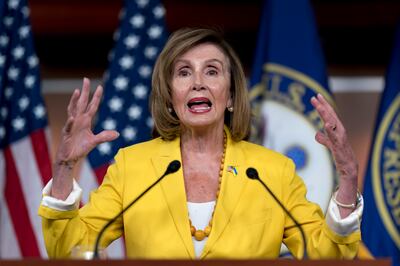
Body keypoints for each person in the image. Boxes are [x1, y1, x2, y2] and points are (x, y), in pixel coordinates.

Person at [39, 28, 362, 259]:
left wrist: (347, 178)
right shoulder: (132, 168)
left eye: (211, 71)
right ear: (169, 97)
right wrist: (65, 167)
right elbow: (69, 250)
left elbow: (328, 255)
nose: (197, 83)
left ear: (231, 95)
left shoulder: (271, 172)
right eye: (183, 73)